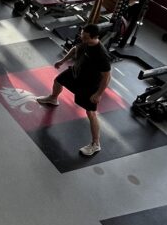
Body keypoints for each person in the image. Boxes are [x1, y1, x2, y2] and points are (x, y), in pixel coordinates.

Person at [36, 23, 111, 157]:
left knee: (91, 113)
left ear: (94, 37)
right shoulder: (84, 40)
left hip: (90, 83)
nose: (82, 38)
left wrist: (98, 94)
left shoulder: (101, 54)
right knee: (58, 80)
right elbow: (75, 49)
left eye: (86, 37)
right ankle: (53, 98)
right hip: (77, 73)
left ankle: (96, 144)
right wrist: (62, 61)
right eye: (82, 34)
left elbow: (107, 77)